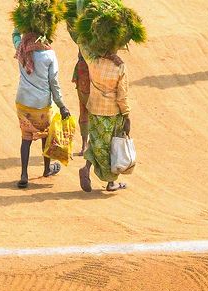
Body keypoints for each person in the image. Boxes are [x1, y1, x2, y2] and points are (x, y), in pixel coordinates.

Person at [13, 29, 71, 186]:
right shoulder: (49, 55)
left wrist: (19, 27)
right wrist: (61, 105)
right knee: (46, 134)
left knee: (26, 138)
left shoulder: (22, 48)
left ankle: (24, 175)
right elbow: (54, 83)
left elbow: (15, 36)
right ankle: (46, 169)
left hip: (23, 102)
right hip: (42, 105)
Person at [79, 52, 131, 192]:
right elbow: (122, 96)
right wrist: (126, 115)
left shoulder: (93, 60)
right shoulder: (120, 67)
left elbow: (83, 47)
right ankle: (111, 182)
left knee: (96, 141)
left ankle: (86, 168)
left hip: (94, 109)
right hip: (112, 112)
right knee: (110, 147)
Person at [73, 50, 91, 156]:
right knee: (86, 109)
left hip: (84, 71)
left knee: (84, 110)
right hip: (87, 71)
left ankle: (85, 145)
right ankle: (86, 145)